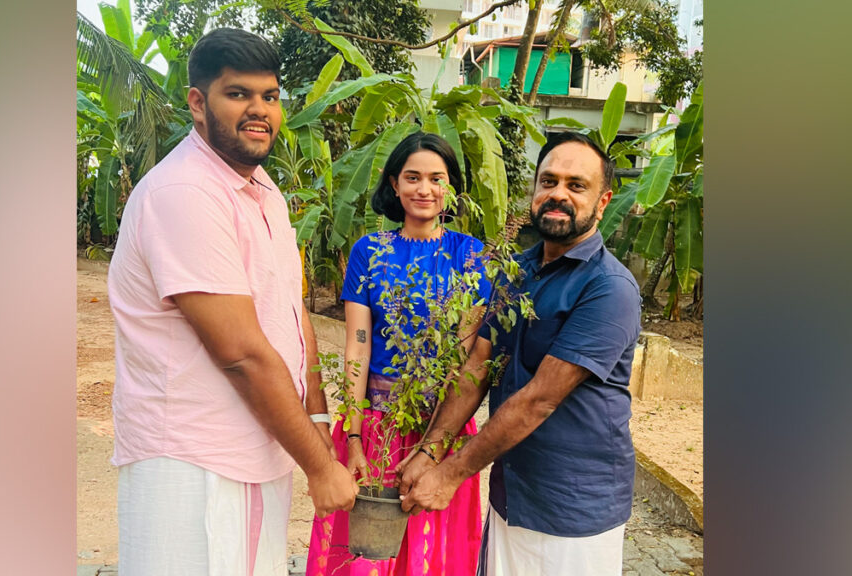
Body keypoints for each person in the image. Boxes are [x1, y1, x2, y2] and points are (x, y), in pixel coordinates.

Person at [107, 28, 357, 576]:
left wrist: (316, 419)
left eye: (270, 96)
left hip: (259, 451)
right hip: (191, 463)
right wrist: (320, 466)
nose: (259, 110)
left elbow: (292, 315)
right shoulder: (185, 194)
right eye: (238, 94)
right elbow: (241, 352)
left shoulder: (262, 189)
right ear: (198, 103)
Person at [397, 131, 642, 575]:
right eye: (548, 181)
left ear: (603, 201)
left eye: (576, 185)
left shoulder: (609, 288)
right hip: (510, 495)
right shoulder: (517, 271)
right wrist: (429, 451)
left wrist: (450, 474)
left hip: (573, 511)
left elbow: (538, 400)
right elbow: (478, 367)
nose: (558, 194)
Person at [306, 132, 489, 576]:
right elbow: (357, 348)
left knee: (432, 558)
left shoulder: (471, 256)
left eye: (435, 178)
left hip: (439, 431)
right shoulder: (370, 252)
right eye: (412, 177)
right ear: (394, 184)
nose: (423, 189)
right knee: (364, 559)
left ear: (451, 188)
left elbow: (467, 359)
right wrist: (351, 436)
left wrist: (434, 446)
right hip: (374, 428)